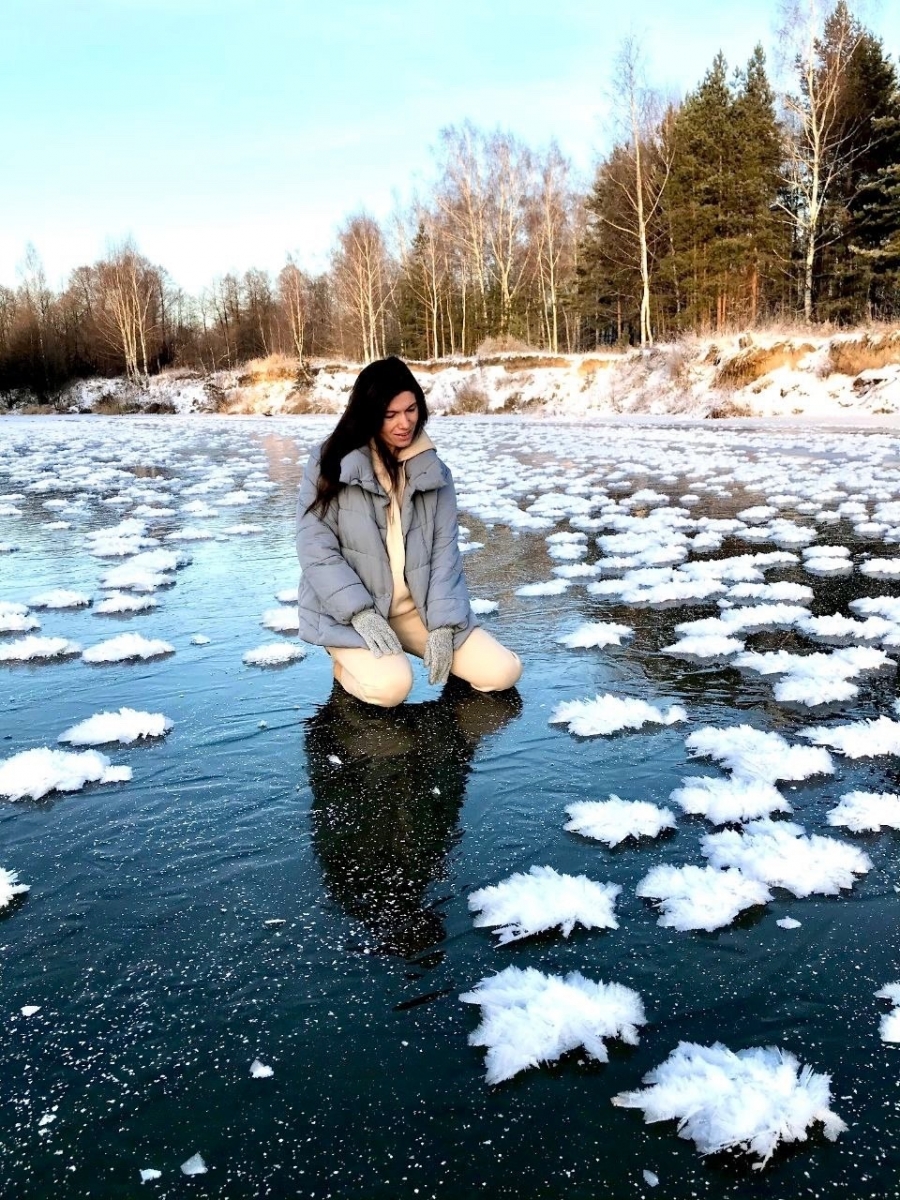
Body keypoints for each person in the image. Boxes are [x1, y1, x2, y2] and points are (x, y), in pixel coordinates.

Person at [295, 356, 522, 707]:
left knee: (502, 672)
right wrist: (360, 613)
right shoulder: (329, 462)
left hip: (416, 610)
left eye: (411, 410)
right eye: (390, 415)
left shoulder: (434, 472)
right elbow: (315, 547)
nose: (404, 423)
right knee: (391, 688)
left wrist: (443, 625)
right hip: (354, 612)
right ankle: (345, 665)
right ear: (369, 414)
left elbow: (444, 553)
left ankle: (408, 645)